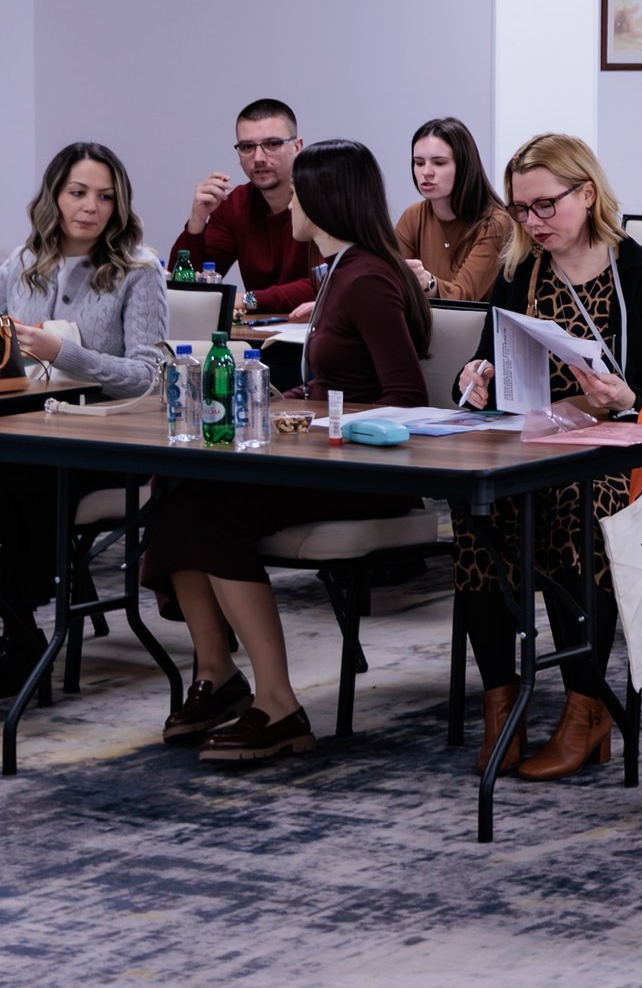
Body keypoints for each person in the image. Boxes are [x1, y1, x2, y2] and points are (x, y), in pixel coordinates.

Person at [144, 141, 431, 763]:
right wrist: (295, 401)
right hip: (325, 457)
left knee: (213, 511)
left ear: (325, 200)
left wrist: (308, 417)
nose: (289, 204)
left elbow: (405, 397)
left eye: (299, 193)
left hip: (370, 472)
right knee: (179, 498)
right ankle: (218, 677)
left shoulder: (369, 278)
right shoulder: (337, 273)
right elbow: (335, 384)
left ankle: (278, 705)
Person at [453, 134, 642, 781]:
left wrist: (626, 395)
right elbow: (492, 371)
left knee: (573, 502)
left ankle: (585, 706)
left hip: (638, 458)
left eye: (546, 205)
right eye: (521, 209)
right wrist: (475, 378)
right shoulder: (518, 274)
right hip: (540, 448)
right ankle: (501, 702)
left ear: (587, 193)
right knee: (472, 510)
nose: (533, 222)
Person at [0, 143, 170, 693]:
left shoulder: (140, 270)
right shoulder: (20, 266)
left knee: (18, 484)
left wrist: (62, 353)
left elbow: (149, 377)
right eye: (78, 193)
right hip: (25, 432)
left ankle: (23, 644)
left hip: (104, 445)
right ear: (55, 194)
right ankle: (22, 635)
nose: (91, 208)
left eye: (105, 196)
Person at [169, 97, 321, 320]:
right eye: (247, 147)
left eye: (272, 144)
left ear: (297, 147)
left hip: (316, 336)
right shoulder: (236, 204)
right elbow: (185, 289)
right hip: (257, 338)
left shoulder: (323, 199)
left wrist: (247, 299)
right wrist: (197, 221)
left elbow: (326, 283)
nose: (258, 158)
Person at [394, 118, 510, 302]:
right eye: (419, 162)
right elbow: (390, 284)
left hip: (473, 330)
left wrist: (427, 282)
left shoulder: (495, 223)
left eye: (439, 163)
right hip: (424, 326)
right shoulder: (413, 215)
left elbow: (463, 297)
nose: (426, 172)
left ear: (464, 167)